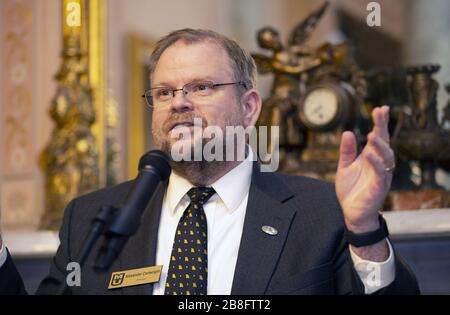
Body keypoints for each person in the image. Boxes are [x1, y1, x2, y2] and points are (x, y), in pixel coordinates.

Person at [0, 28, 418, 295]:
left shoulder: (323, 213)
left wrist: (364, 232)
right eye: (164, 93)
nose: (179, 103)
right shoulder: (91, 217)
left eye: (201, 87)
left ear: (249, 106)